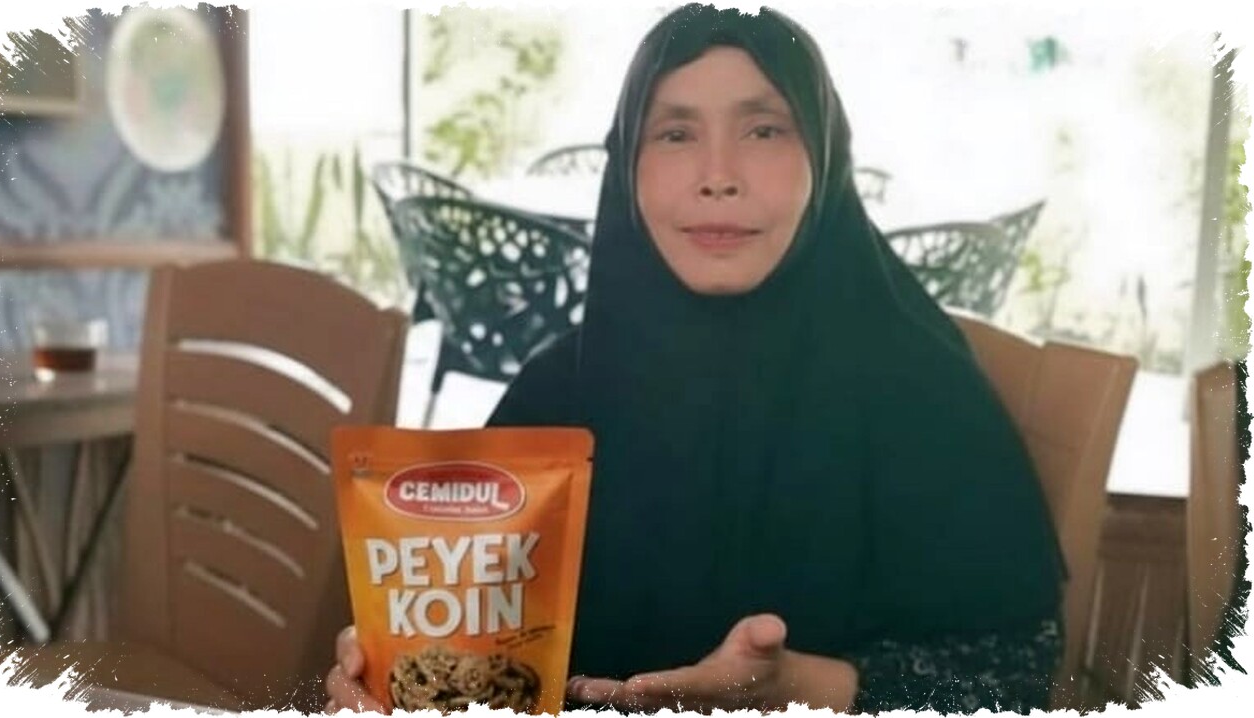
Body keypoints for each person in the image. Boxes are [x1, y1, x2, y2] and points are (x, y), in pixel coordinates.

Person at [326, 4, 1066, 714]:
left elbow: (1013, 673)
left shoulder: (919, 386)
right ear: (627, 166)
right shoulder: (559, 391)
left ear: (824, 156)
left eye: (764, 130)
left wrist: (799, 689)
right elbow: (472, 638)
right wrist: (397, 669)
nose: (718, 174)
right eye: (676, 133)